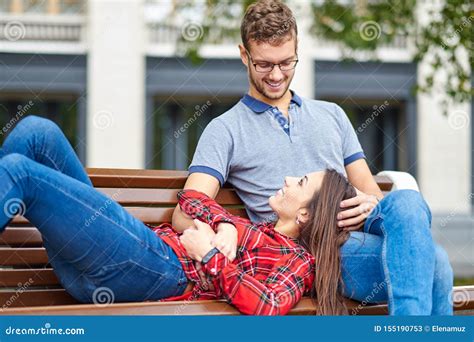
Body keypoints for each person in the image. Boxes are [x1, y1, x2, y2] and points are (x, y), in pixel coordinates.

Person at [172, 0, 453, 315]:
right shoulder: (224, 129)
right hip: (312, 249)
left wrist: (368, 202)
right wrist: (225, 228)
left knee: (407, 202)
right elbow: (185, 213)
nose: (277, 75)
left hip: (359, 231)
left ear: (297, 52)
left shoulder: (331, 114)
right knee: (437, 263)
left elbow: (373, 194)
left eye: (286, 62)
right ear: (244, 56)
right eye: (264, 64)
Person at [0, 115, 362, 315]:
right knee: (38, 133)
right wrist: (224, 224)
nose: (286, 178)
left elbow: (267, 306)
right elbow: (190, 197)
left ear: (304, 215)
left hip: (155, 269)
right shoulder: (255, 227)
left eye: (299, 181)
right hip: (120, 257)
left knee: (20, 171)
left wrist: (210, 255)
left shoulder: (298, 262)